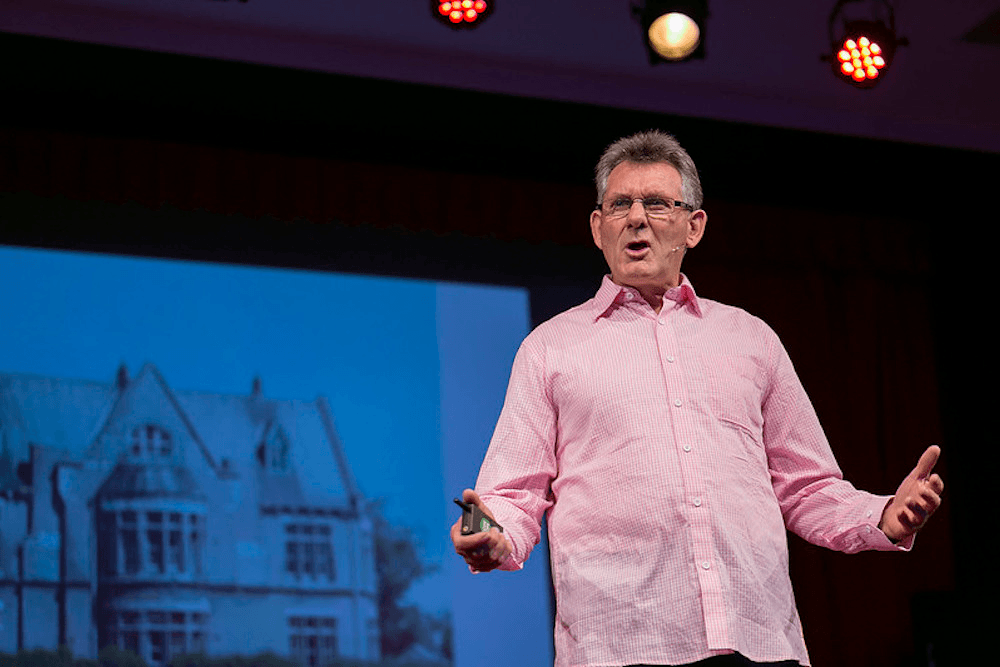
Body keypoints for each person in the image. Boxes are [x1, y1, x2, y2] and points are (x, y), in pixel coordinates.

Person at [450, 130, 944, 667]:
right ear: (598, 228)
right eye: (620, 205)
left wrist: (882, 517)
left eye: (658, 204)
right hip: (618, 646)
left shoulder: (751, 339)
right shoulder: (550, 348)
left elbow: (807, 487)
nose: (636, 218)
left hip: (758, 642)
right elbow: (513, 495)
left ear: (694, 225)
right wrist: (492, 535)